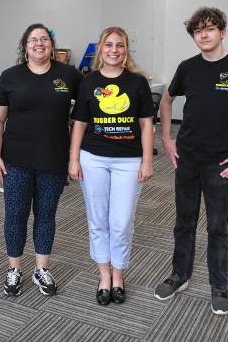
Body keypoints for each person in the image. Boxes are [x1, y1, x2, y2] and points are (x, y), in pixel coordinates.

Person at [153, 7, 228, 316]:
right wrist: (167, 139)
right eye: (197, 31)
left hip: (221, 163)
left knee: (218, 227)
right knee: (184, 223)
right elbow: (166, 101)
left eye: (209, 29)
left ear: (222, 32)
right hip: (187, 159)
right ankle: (180, 276)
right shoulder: (187, 67)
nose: (203, 35)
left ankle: (219, 286)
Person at [0, 23, 83, 297]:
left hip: (53, 160)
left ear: (52, 45)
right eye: (33, 40)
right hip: (16, 160)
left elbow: (85, 112)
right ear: (25, 46)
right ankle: (14, 268)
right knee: (15, 216)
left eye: (44, 39)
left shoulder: (68, 75)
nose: (39, 43)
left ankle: (41, 268)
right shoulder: (10, 76)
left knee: (46, 215)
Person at [69, 27, 154, 305]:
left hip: (128, 161)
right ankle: (104, 276)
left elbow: (145, 125)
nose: (114, 50)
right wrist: (73, 159)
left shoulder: (137, 83)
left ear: (126, 50)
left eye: (120, 45)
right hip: (92, 158)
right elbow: (79, 123)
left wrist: (148, 161)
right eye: (109, 45)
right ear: (100, 49)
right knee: (97, 220)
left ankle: (119, 274)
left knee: (121, 222)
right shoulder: (89, 81)